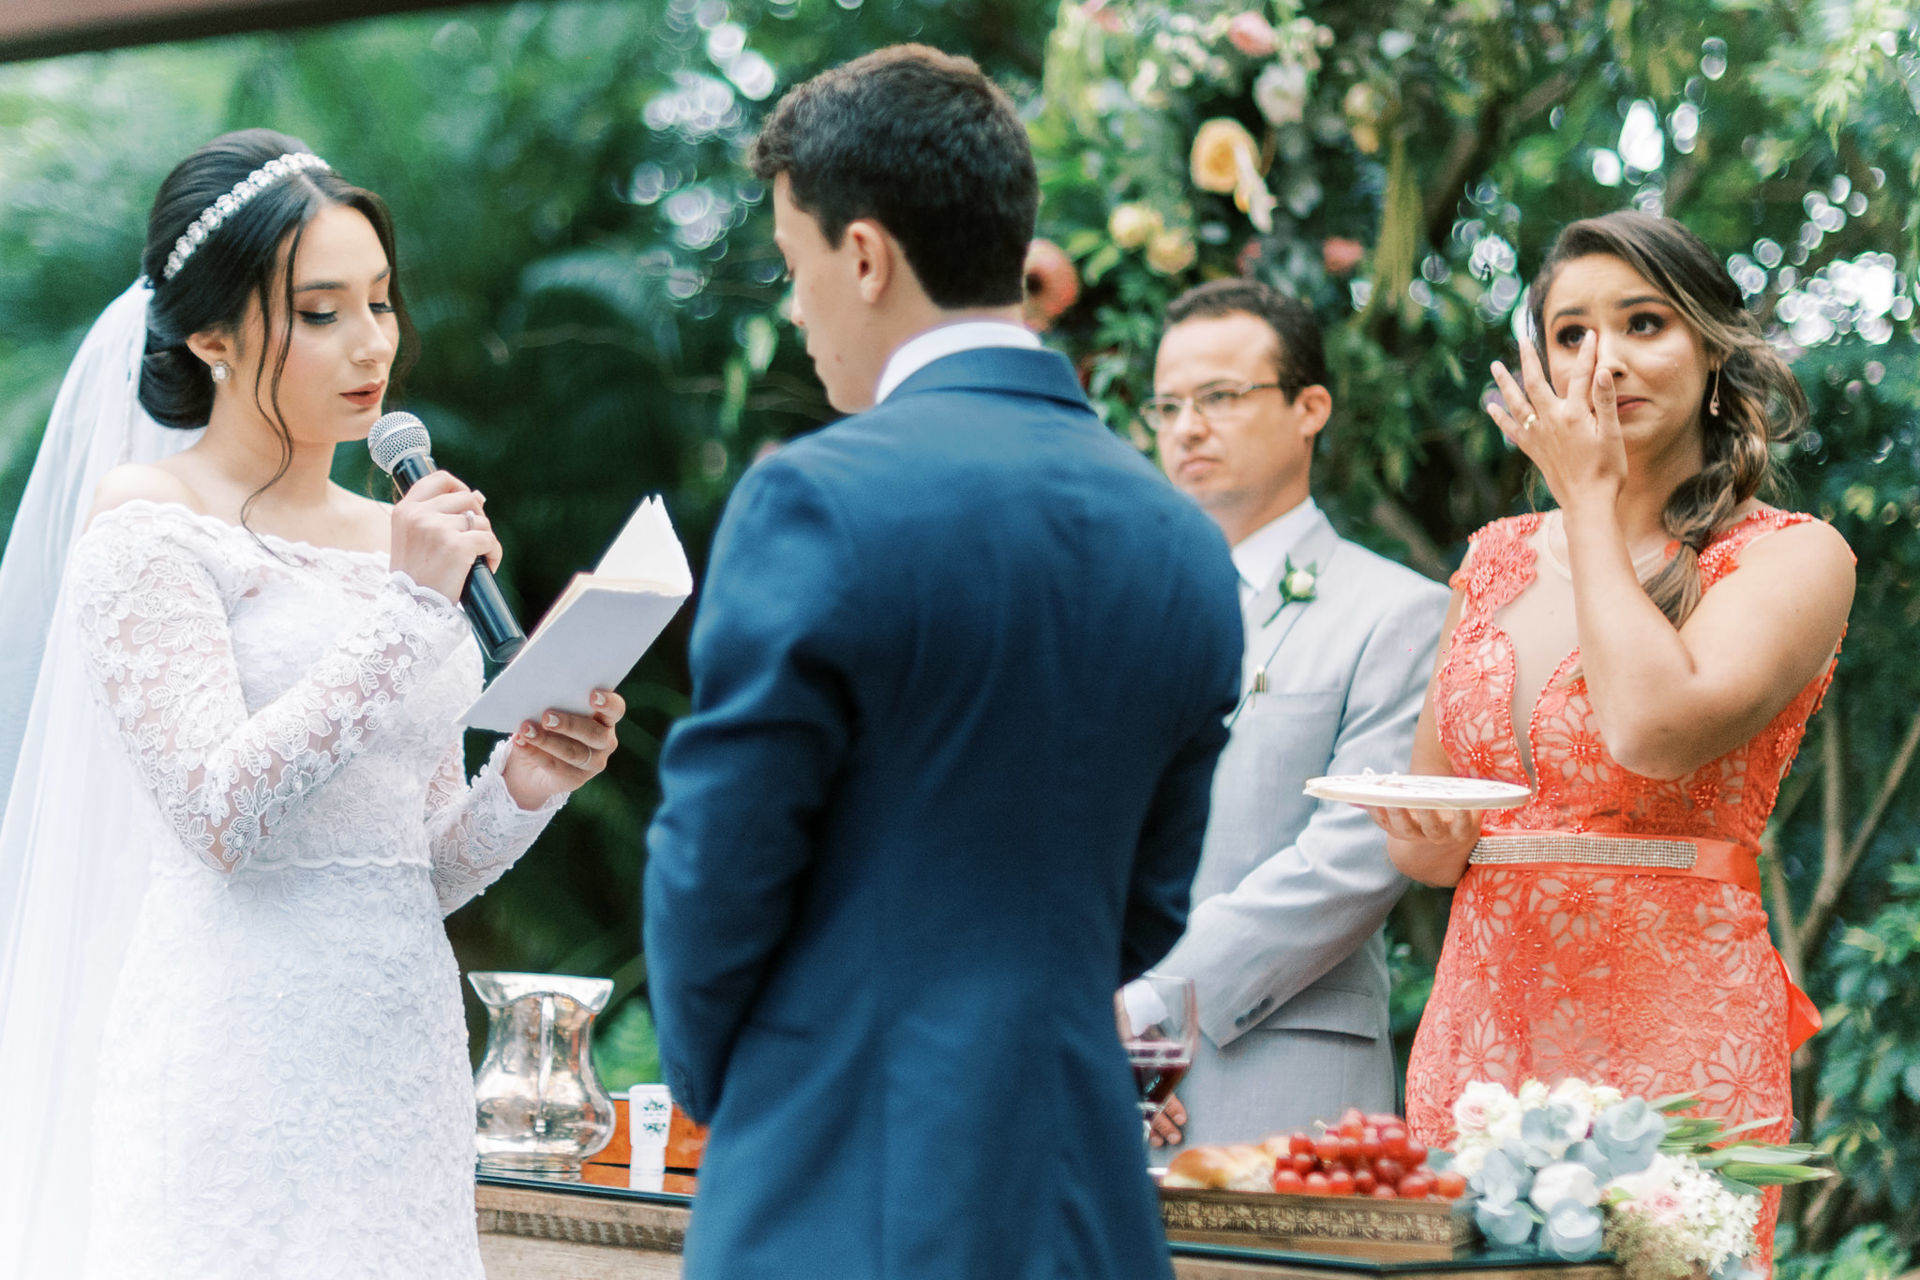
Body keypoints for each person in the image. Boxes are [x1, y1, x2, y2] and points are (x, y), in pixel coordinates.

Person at [643, 46, 1243, 1280]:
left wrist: (746, 1083)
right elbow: (1149, 905)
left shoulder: (818, 499)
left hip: (841, 1180)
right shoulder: (1184, 541)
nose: (798, 310)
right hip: (1084, 1196)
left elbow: (716, 869)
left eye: (796, 268)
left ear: (862, 256)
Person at [0, 129, 625, 1280]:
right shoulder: (149, 525)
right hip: (232, 1053)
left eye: (381, 302)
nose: (372, 344)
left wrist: (534, 776)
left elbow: (415, 862)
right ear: (211, 333)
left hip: (397, 1056)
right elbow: (220, 815)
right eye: (322, 310)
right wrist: (407, 609)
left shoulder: (398, 541)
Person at [1372, 210, 1854, 1267]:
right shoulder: (1493, 557)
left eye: (1644, 323)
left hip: (1676, 1028)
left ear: (1713, 352)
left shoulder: (1789, 556)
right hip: (1484, 1027)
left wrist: (1586, 500)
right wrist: (1413, 822)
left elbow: (1651, 731)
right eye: (1572, 333)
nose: (1606, 361)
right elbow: (1428, 843)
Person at [1136, 279, 1448, 1156]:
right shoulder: (1116, 613)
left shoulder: (1398, 610)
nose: (1187, 427)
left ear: (1311, 406)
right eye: (1167, 406)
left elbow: (1353, 857)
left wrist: (1145, 1004)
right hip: (1089, 1072)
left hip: (1278, 1072)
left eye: (1220, 397)